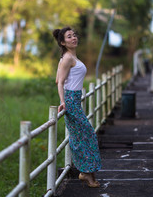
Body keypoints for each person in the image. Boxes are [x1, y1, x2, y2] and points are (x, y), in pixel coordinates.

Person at [53, 26, 101, 188]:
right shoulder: (67, 58)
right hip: (71, 101)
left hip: (75, 99)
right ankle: (86, 173)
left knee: (83, 136)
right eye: (69, 37)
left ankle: (87, 173)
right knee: (87, 135)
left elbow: (57, 78)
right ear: (63, 42)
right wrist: (63, 101)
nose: (74, 38)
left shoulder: (69, 57)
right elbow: (59, 82)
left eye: (74, 35)